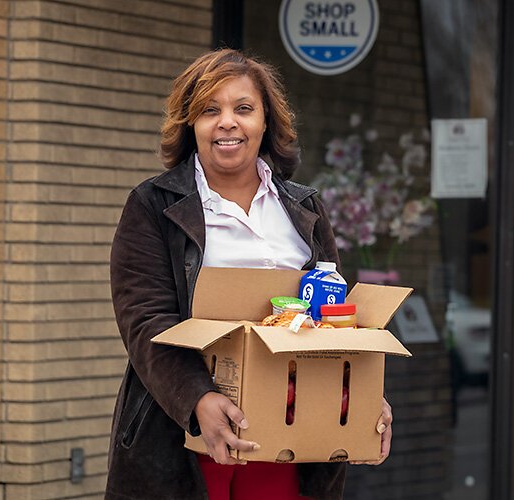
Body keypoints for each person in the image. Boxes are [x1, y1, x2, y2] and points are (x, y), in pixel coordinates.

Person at [106, 48, 393, 500]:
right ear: (190, 124)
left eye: (243, 108)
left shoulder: (305, 207)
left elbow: (336, 317)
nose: (227, 122)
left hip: (294, 429)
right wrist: (198, 400)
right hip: (186, 431)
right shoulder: (153, 207)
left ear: (265, 122)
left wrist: (358, 396)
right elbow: (145, 322)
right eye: (209, 110)